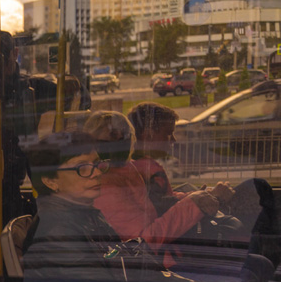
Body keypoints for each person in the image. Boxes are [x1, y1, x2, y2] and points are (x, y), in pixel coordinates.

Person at [22, 130, 178, 282]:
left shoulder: (86, 214)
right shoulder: (58, 233)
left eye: (96, 164)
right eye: (81, 168)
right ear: (51, 181)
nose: (96, 173)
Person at [83, 110, 226, 269]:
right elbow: (142, 243)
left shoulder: (124, 168)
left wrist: (195, 197)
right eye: (110, 138)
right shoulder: (105, 185)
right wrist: (194, 203)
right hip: (152, 267)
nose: (118, 141)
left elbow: (154, 203)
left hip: (164, 255)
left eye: (122, 135)